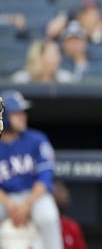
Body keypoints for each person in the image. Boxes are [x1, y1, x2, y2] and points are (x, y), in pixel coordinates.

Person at [0, 90, 63, 249]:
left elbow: (45, 179)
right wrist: (10, 204)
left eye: (23, 113)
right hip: (4, 197)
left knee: (48, 217)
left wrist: (26, 205)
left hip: (34, 195)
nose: (23, 117)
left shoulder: (37, 139)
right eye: (17, 113)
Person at [11, 40, 75, 84]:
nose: (59, 58)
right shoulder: (21, 80)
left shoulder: (65, 79)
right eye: (54, 54)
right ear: (40, 57)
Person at [52, 180, 87, 249]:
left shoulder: (72, 226)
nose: (64, 195)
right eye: (59, 191)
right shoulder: (36, 224)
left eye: (64, 191)